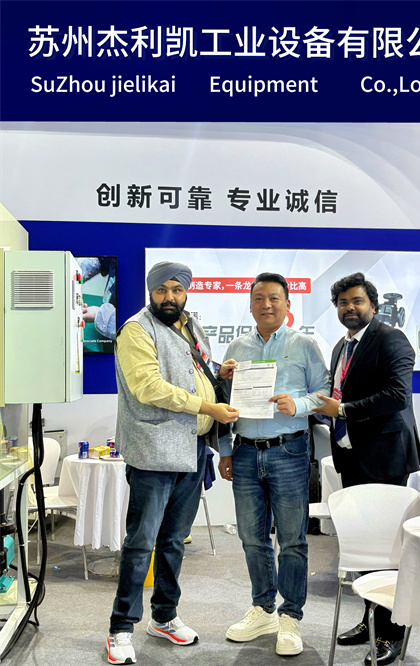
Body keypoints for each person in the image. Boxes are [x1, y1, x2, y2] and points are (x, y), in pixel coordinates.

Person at [106, 261, 239, 665]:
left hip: (192, 449)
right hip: (154, 452)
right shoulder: (136, 330)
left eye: (177, 290)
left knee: (174, 541)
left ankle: (164, 616)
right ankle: (120, 628)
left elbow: (192, 372)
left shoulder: (190, 325)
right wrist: (208, 407)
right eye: (162, 290)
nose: (169, 297)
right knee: (140, 543)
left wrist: (219, 374)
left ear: (186, 292)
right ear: (151, 291)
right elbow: (149, 387)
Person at [313, 271, 420, 666]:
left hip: (386, 456)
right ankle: (371, 619)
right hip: (352, 456)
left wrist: (342, 409)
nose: (350, 308)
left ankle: (392, 632)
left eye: (357, 301)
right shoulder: (342, 346)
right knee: (363, 545)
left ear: (373, 305)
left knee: (389, 550)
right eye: (343, 303)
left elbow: (397, 395)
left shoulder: (391, 339)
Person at [218, 272, 329, 657]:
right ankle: (263, 609)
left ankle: (291, 616)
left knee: (293, 539)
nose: (266, 305)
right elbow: (223, 402)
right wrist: (225, 449)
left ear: (287, 305)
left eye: (274, 298)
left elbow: (325, 393)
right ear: (250, 305)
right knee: (252, 537)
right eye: (259, 298)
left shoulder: (304, 345)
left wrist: (298, 405)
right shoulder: (237, 347)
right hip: (245, 451)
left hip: (289, 451)